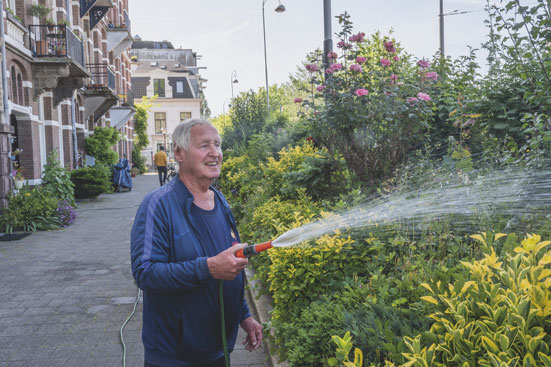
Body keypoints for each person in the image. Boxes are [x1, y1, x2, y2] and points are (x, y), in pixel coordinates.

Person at [130, 119, 263, 367]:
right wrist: (208, 268)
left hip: (218, 350)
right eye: (204, 145)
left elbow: (227, 265)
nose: (215, 153)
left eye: (218, 144)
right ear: (179, 154)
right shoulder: (158, 205)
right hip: (174, 356)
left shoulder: (220, 201)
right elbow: (145, 273)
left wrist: (244, 316)